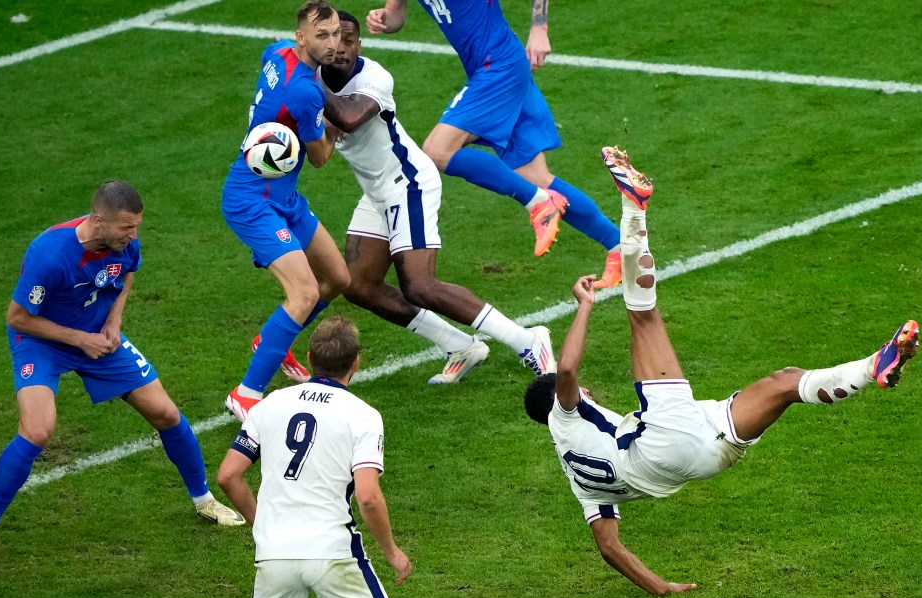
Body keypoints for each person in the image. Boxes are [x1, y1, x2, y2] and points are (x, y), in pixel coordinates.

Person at [523, 147, 921, 595]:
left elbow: (610, 548)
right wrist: (585, 306)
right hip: (661, 441)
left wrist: (661, 587)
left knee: (786, 382)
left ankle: (875, 366)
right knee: (643, 315)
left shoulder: (579, 481)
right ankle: (633, 205)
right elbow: (570, 369)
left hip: (700, 461)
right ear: (555, 401)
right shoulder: (564, 415)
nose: (587, 391)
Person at [0, 180, 245, 572]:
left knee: (167, 414)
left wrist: (114, 321)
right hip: (42, 341)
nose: (134, 235)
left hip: (98, 336)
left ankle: (204, 500)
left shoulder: (124, 244)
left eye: (136, 226)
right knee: (38, 429)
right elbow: (18, 317)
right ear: (98, 220)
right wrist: (80, 339)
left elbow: (126, 276)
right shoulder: (50, 254)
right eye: (127, 227)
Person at [311, 10, 554, 383]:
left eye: (349, 39)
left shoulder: (373, 77)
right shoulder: (315, 79)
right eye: (331, 39)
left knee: (420, 285)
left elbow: (348, 117)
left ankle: (528, 340)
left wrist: (305, 85)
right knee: (358, 285)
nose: (340, 47)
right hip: (376, 192)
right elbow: (321, 155)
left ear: (359, 43)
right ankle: (460, 345)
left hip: (408, 182)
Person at [365, 0, 634, 288]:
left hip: (498, 67)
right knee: (536, 178)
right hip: (495, 66)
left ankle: (540, 204)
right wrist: (384, 18)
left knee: (437, 150)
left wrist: (539, 28)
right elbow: (396, 13)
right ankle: (621, 248)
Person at [218, 316, 412, 598]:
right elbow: (367, 496)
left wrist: (261, 524)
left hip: (274, 551)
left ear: (309, 359)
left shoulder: (269, 405)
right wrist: (391, 551)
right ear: (356, 363)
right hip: (332, 551)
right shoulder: (363, 416)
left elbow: (228, 475)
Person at [222, 0, 350, 422]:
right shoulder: (304, 91)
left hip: (282, 197)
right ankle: (245, 395)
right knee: (305, 292)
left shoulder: (278, 51)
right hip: (253, 201)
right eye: (322, 37)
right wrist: (336, 127)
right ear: (301, 37)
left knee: (336, 278)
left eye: (335, 34)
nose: (332, 45)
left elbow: (268, 58)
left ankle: (272, 340)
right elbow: (319, 158)